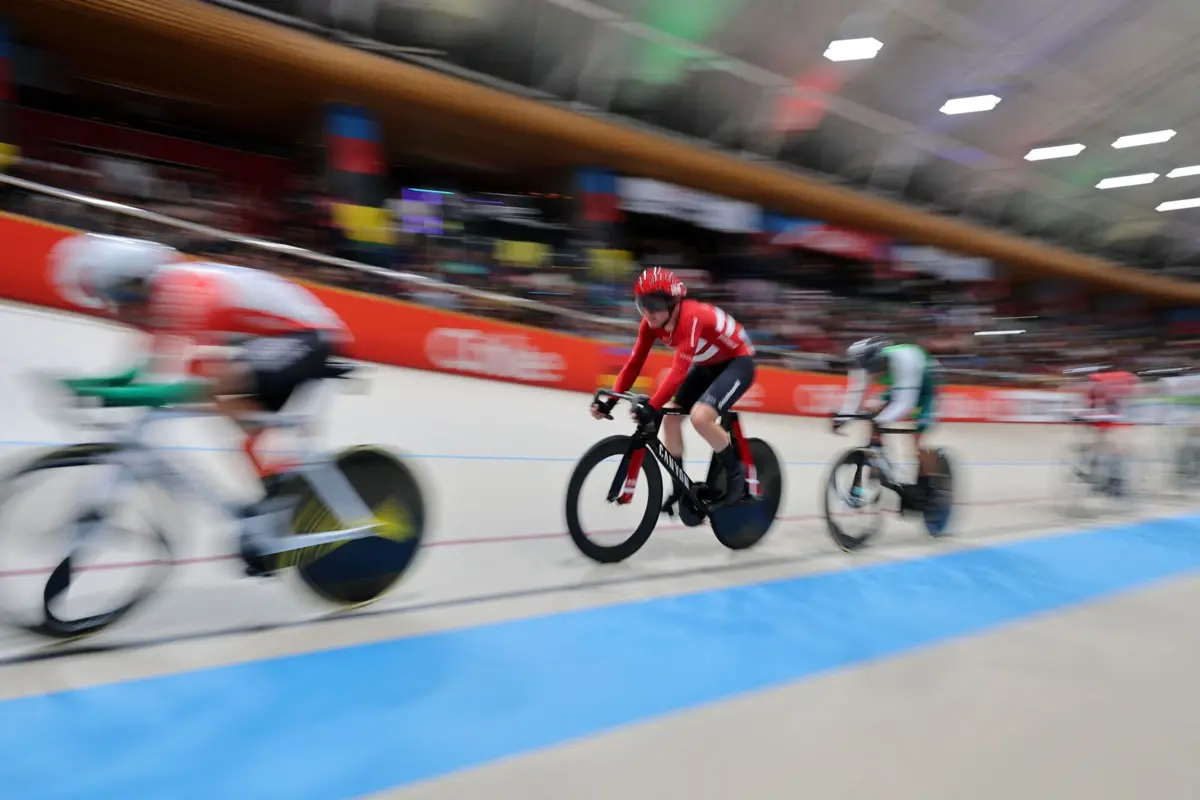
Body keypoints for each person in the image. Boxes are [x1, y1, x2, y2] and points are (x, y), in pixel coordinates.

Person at [51, 232, 353, 575]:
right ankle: (279, 495)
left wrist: (114, 395)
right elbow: (142, 370)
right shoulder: (159, 295)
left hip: (312, 335)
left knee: (212, 382)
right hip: (276, 340)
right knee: (228, 405)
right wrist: (92, 385)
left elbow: (190, 384)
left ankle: (282, 485)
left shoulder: (190, 292)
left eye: (116, 296)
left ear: (136, 279)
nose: (116, 308)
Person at [591, 267, 756, 508]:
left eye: (655, 304)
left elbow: (678, 372)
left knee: (701, 418)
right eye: (642, 304)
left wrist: (652, 406)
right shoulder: (650, 324)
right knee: (670, 418)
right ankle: (681, 488)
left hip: (738, 362)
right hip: (708, 364)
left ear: (674, 302)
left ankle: (737, 475)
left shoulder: (690, 317)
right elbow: (634, 364)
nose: (649, 311)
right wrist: (611, 401)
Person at [832, 336, 942, 511]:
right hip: (900, 386)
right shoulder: (861, 365)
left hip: (924, 385)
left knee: (916, 438)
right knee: (871, 413)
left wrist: (879, 420)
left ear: (883, 359)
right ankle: (877, 465)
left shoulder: (905, 360)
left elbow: (906, 403)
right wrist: (842, 418)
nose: (873, 375)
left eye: (876, 369)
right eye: (870, 370)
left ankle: (933, 487)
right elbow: (856, 396)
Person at [1072, 366, 1140, 494]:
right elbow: (1089, 407)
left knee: (1112, 450)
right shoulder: (1095, 390)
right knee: (1100, 448)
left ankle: (1116, 483)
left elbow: (1120, 407)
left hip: (1117, 423)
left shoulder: (1114, 386)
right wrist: (1081, 416)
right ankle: (1102, 479)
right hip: (1106, 422)